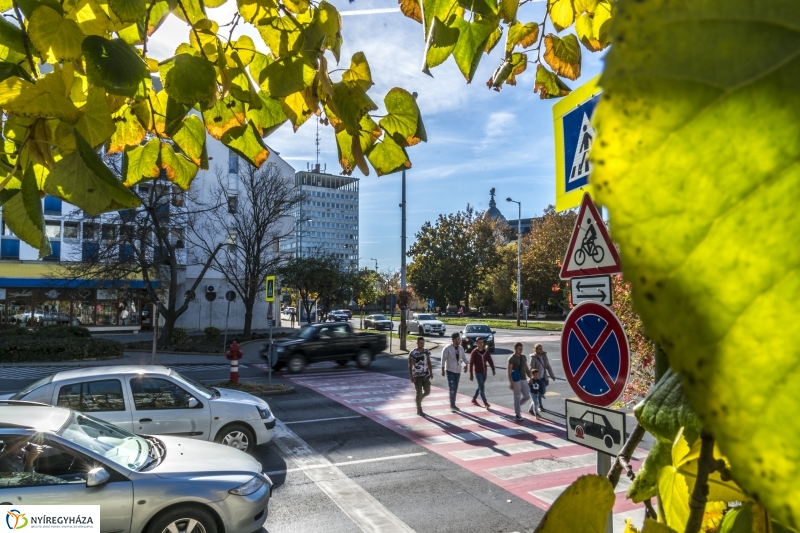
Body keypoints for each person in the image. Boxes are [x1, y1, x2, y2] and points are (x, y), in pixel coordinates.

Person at [441, 332, 467, 411]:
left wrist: (466, 365)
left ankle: (453, 404)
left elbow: (464, 358)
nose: (460, 340)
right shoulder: (447, 348)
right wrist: (442, 370)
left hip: (458, 371)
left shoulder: (461, 348)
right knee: (452, 387)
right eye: (458, 339)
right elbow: (443, 359)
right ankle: (452, 405)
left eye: (460, 339)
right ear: (454, 340)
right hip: (450, 370)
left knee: (455, 388)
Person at [408, 336, 433, 416]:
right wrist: (412, 376)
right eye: (420, 343)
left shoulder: (426, 351)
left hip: (425, 375)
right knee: (418, 392)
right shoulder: (413, 353)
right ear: (417, 343)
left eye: (423, 343)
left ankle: (419, 400)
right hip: (417, 376)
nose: (422, 344)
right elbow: (410, 365)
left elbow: (429, 362)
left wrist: (431, 372)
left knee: (427, 391)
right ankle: (419, 409)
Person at [507, 342, 532, 421]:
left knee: (527, 396)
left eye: (521, 349)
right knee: (517, 397)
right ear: (515, 349)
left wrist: (530, 377)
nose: (521, 350)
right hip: (516, 380)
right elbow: (509, 371)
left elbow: (527, 368)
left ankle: (517, 405)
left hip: (524, 379)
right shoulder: (512, 358)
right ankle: (518, 414)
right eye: (519, 349)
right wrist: (511, 382)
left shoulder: (523, 357)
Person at [469, 337, 495, 409]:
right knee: (482, 388)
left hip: (484, 372)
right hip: (478, 373)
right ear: (476, 343)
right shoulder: (474, 352)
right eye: (479, 342)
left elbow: (490, 360)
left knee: (480, 386)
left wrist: (493, 369)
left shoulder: (486, 352)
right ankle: (485, 403)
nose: (481, 344)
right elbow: (471, 364)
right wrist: (471, 374)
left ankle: (474, 399)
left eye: (482, 342)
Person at [530, 343, 557, 412]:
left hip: (543, 377)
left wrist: (552, 375)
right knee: (538, 392)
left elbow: (548, 366)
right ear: (536, 350)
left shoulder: (544, 356)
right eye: (539, 349)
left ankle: (531, 408)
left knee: (543, 391)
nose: (541, 350)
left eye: (541, 348)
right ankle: (540, 405)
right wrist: (530, 378)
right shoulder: (533, 357)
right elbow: (531, 368)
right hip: (536, 378)